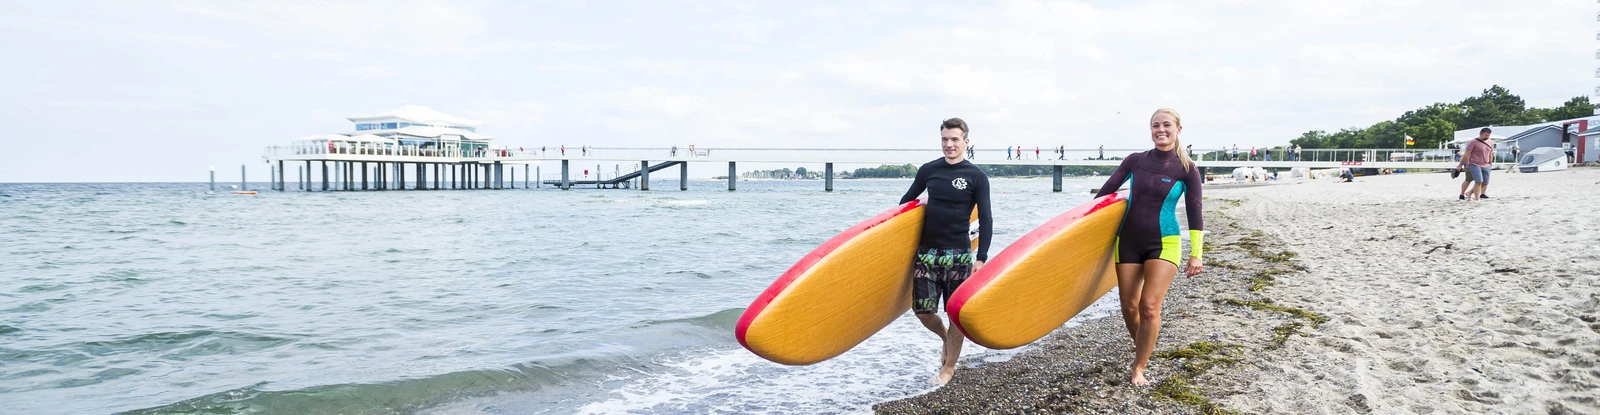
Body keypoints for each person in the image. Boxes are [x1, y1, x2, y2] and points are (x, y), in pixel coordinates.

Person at [1093, 108, 1204, 387]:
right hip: (1128, 240)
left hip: (1164, 241)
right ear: (1150, 129)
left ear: (1179, 129)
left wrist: (1196, 254)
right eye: (1155, 125)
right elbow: (1105, 193)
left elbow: (1195, 212)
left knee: (1149, 307)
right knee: (1129, 306)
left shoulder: (1187, 169)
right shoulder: (1135, 161)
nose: (1161, 130)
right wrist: (1081, 231)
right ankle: (1144, 344)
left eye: (1167, 125)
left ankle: (1139, 366)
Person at [898, 117, 993, 386]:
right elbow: (906, 203)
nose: (949, 144)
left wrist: (981, 258)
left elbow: (986, 218)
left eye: (954, 139)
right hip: (927, 253)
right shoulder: (928, 170)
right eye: (944, 139)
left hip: (960, 255)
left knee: (956, 315)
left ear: (966, 142)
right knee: (923, 311)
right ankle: (944, 338)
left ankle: (949, 367)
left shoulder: (977, 176)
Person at [1460, 128, 1494, 201]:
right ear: (1481, 134)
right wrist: (1462, 164)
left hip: (1486, 164)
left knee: (1485, 182)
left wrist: (1490, 162)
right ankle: (1477, 198)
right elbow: (1466, 154)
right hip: (1474, 163)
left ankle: (1469, 193)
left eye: (1488, 135)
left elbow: (1490, 153)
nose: (1487, 137)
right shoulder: (1473, 142)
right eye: (1485, 135)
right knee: (1478, 181)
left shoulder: (1491, 142)